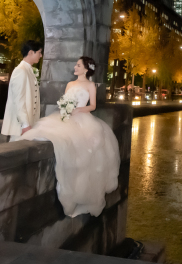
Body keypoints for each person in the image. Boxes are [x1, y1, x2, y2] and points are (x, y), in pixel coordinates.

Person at [21, 56, 120, 217]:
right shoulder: (70, 84)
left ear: (86, 69)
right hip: (67, 116)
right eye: (76, 64)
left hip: (82, 116)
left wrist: (78, 110)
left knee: (85, 144)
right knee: (54, 133)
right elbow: (66, 100)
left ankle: (81, 190)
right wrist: (65, 109)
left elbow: (92, 105)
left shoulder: (90, 85)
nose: (75, 67)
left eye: (78, 65)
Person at [1, 40, 43, 142]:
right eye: (39, 52)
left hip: (29, 124)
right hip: (21, 127)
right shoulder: (21, 70)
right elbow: (19, 100)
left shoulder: (29, 70)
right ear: (30, 52)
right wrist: (25, 124)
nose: (41, 56)